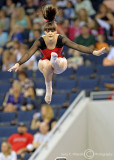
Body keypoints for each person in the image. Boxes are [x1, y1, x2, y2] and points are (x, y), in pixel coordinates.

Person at [8, 5, 106, 104]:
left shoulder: (61, 38)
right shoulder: (40, 40)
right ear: (44, 31)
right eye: (47, 31)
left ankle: (54, 60)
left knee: (59, 62)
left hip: (59, 63)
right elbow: (29, 52)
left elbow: (77, 46)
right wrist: (18, 63)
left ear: (56, 31)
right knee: (46, 64)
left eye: (52, 31)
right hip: (45, 63)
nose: (50, 33)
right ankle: (49, 90)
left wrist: (94, 52)